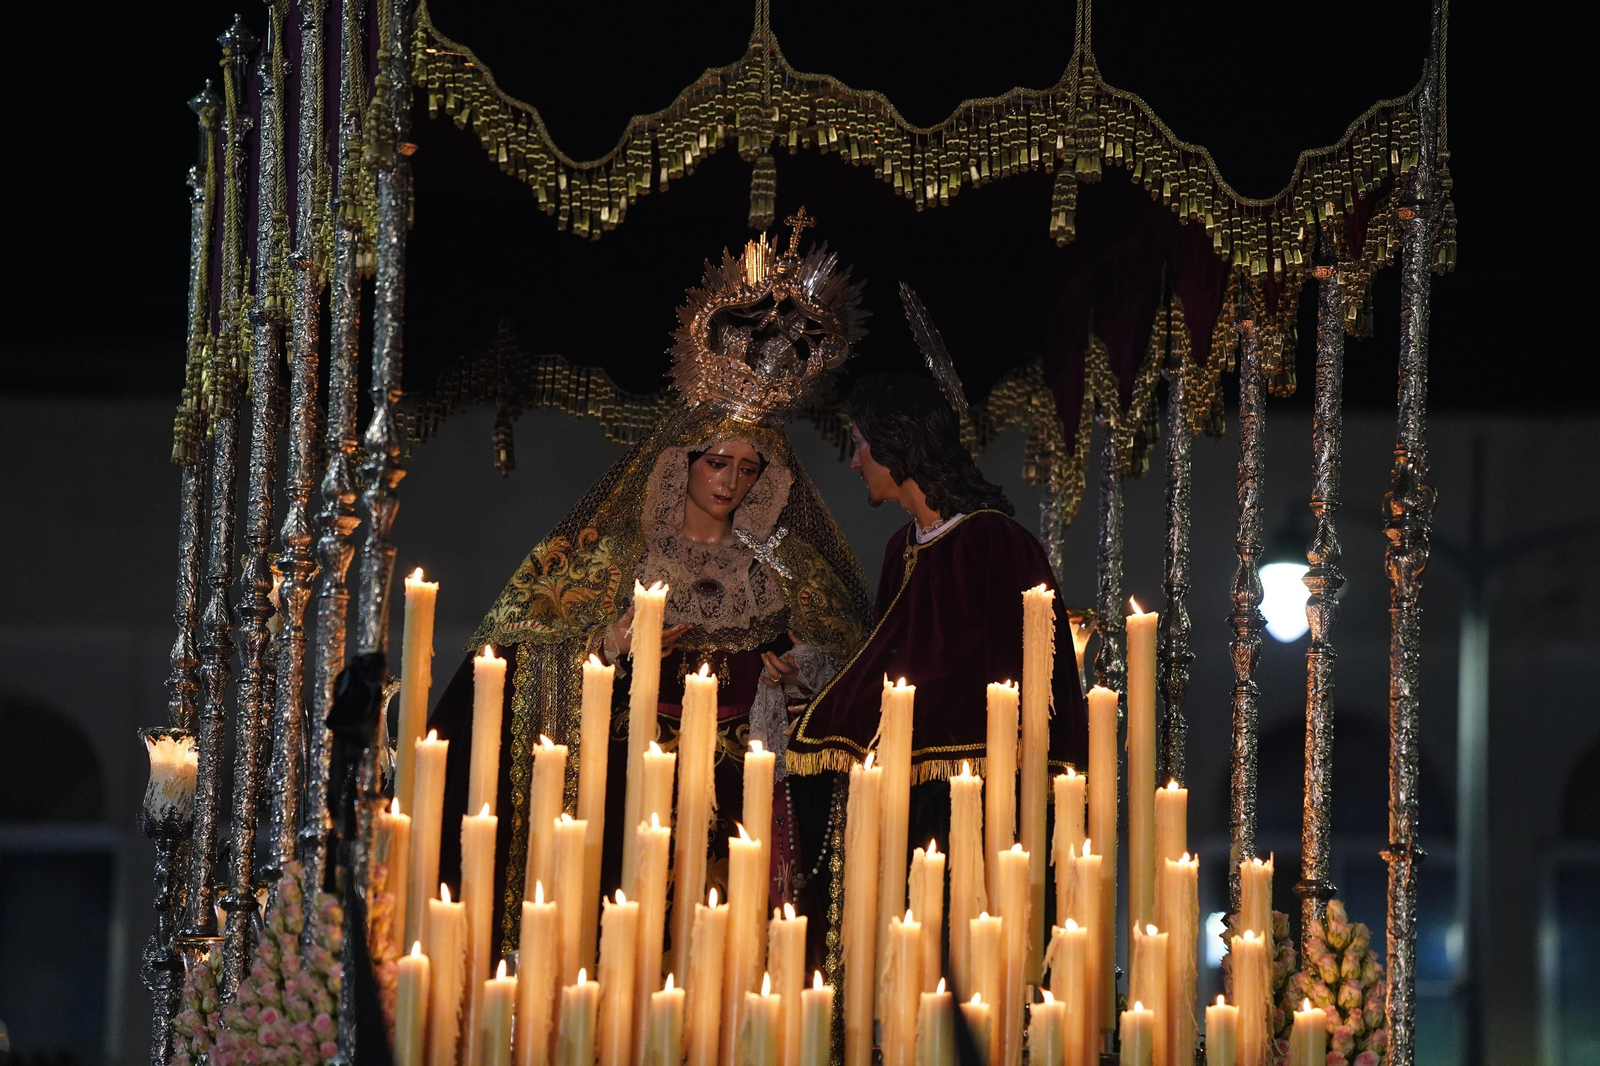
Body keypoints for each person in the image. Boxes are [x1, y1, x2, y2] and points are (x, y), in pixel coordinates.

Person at [424, 213, 872, 965]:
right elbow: (506, 669)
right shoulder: (603, 560)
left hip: (752, 812)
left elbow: (858, 681)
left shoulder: (793, 572)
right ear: (682, 461)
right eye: (717, 463)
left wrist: (805, 679)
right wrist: (603, 650)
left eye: (749, 469)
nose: (732, 482)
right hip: (633, 802)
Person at [787, 371, 1088, 858]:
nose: (853, 463)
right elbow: (892, 662)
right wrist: (823, 693)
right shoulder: (900, 548)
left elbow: (995, 678)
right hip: (909, 791)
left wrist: (840, 706)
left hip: (982, 800)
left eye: (861, 444)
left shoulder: (992, 541)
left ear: (895, 443)